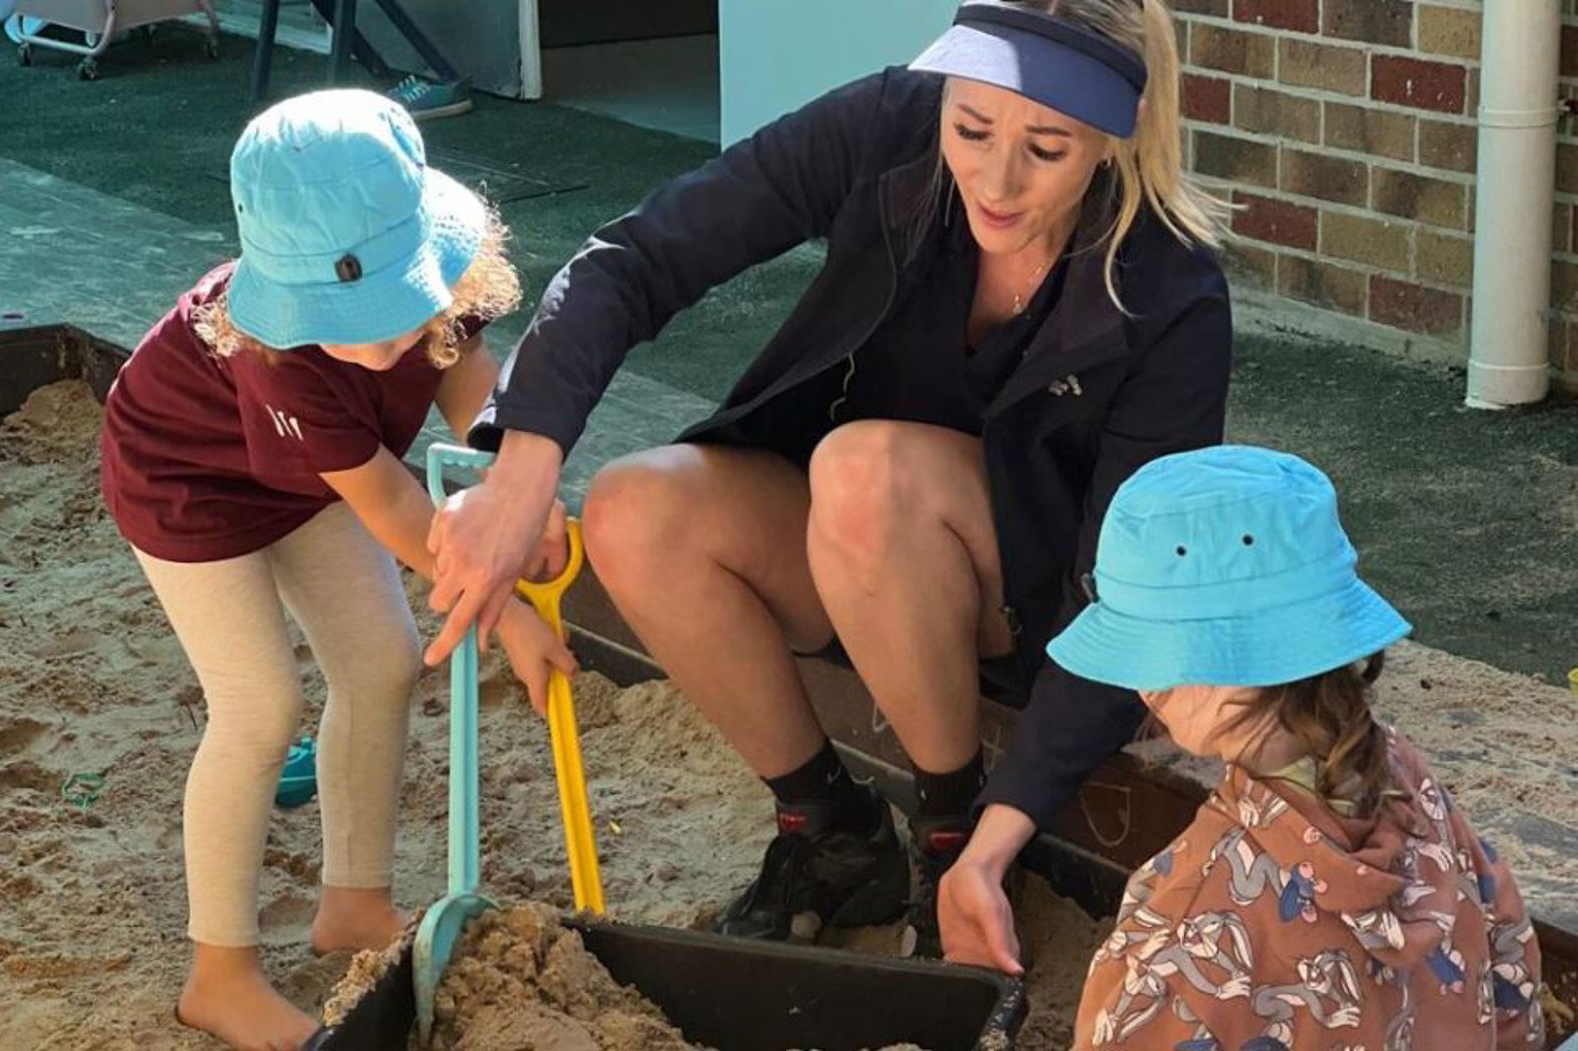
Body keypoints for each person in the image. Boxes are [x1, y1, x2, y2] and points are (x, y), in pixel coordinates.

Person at [425, 0, 1231, 955]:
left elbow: (1131, 601)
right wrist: (522, 464)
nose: (996, 179)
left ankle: (951, 835)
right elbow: (635, 258)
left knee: (866, 468)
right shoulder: (889, 124)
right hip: (850, 554)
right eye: (971, 127)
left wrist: (998, 837)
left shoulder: (1173, 292)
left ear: (1114, 133)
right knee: (635, 506)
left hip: (1027, 606)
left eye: (1046, 148)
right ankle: (834, 833)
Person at [98, 89, 571, 1050]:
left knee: (382, 661)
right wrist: (506, 606)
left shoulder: (447, 286)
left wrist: (525, 492)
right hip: (186, 482)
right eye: (347, 317)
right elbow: (396, 508)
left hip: (312, 477)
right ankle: (218, 975)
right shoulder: (280, 357)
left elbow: (475, 398)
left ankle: (353, 904)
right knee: (260, 704)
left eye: (396, 304)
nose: (381, 339)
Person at [956, 444, 1544, 1049]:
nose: (1142, 687)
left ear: (1214, 666)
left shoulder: (1187, 928)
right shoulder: (1410, 783)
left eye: (1148, 655)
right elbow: (1511, 976)